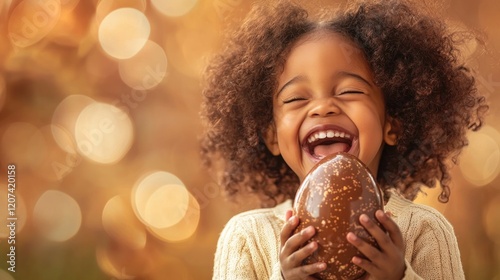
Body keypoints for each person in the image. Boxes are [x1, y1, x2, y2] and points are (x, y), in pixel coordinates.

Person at [200, 0, 488, 279]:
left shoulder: (425, 230)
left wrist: (399, 277)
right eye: (297, 98)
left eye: (349, 91)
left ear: (392, 125)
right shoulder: (247, 237)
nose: (323, 107)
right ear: (272, 137)